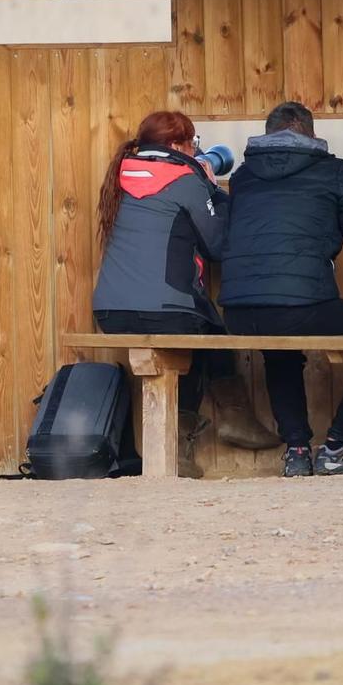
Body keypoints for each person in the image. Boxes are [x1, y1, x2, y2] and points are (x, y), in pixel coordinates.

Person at [219, 101, 343, 477]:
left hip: (239, 311)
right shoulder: (333, 172)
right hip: (302, 303)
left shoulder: (242, 176)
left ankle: (297, 450)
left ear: (268, 133)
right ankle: (338, 445)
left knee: (279, 348)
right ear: (309, 133)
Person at [90, 110, 280, 477]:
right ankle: (200, 437)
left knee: (203, 333)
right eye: (192, 143)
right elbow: (218, 244)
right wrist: (211, 187)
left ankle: (218, 428)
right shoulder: (185, 179)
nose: (195, 150)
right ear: (176, 146)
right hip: (163, 308)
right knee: (208, 339)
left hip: (110, 310)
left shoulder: (122, 171)